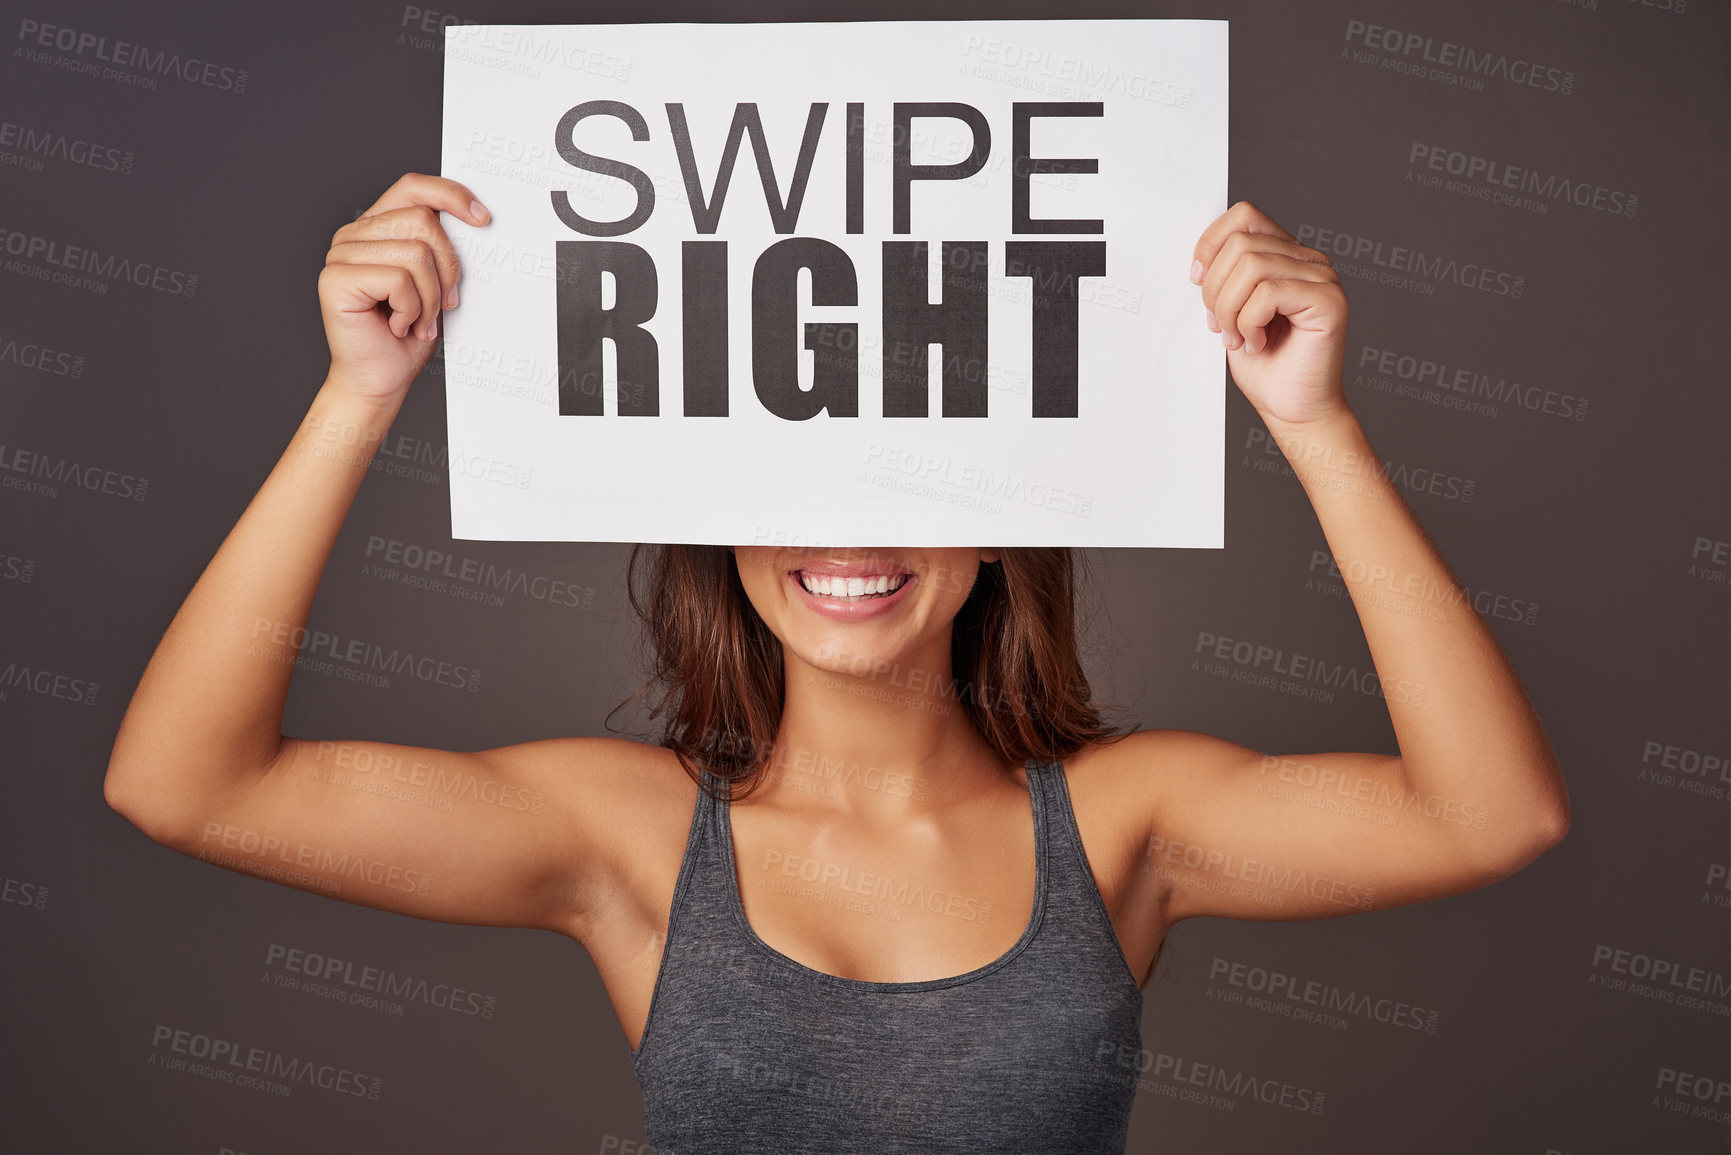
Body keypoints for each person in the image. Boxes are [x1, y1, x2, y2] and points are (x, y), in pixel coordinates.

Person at [104, 172, 1569, 1152]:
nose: (848, 534)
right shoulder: (624, 836)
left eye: (914, 479)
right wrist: (363, 397)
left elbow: (1490, 814)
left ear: (1005, 525)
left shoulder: (1130, 821)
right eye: (793, 476)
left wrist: (1313, 424)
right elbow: (187, 785)